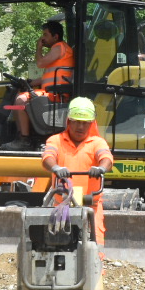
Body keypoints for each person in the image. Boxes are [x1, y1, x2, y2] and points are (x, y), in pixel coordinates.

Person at [41, 96, 112, 247]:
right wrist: (56, 168)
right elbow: (48, 157)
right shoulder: (55, 140)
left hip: (90, 206)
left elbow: (106, 159)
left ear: (91, 124)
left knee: (95, 245)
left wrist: (101, 168)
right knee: (58, 247)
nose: (80, 127)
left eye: (85, 123)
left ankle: (96, 271)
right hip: (62, 207)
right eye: (77, 122)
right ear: (69, 121)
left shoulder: (97, 143)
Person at [13, 19, 74, 142]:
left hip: (56, 95)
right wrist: (29, 83)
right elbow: (47, 77)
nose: (42, 38)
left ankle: (24, 139)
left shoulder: (59, 47)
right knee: (17, 99)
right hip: (52, 92)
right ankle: (19, 135)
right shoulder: (59, 51)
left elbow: (40, 63)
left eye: (45, 35)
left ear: (56, 37)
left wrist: (38, 48)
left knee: (20, 100)